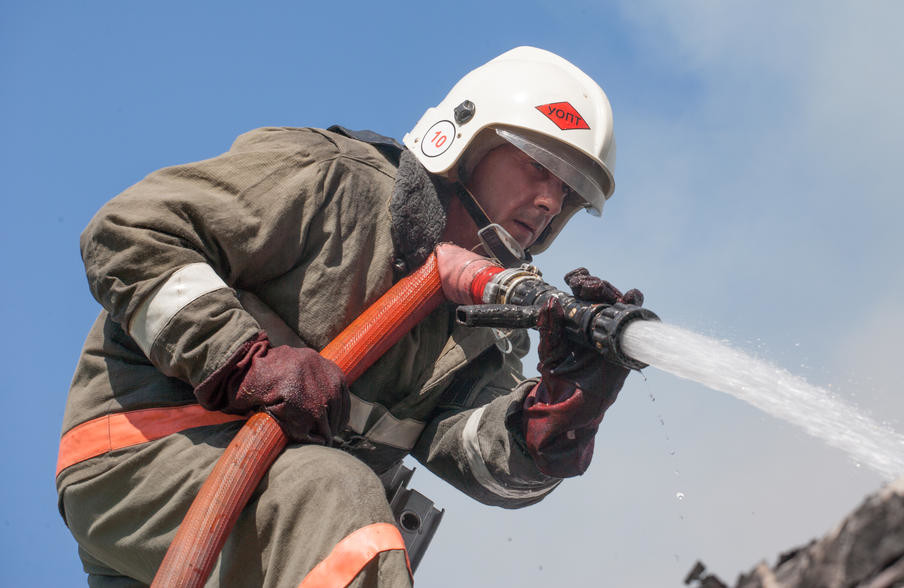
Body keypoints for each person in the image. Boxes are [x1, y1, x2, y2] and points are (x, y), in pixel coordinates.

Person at [56, 46, 643, 587]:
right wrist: (244, 359)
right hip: (140, 453)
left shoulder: (478, 329)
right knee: (340, 495)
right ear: (466, 142)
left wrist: (561, 409)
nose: (549, 201)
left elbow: (484, 460)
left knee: (339, 501)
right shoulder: (329, 182)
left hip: (259, 518)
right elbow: (130, 232)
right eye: (539, 167)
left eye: (568, 192)